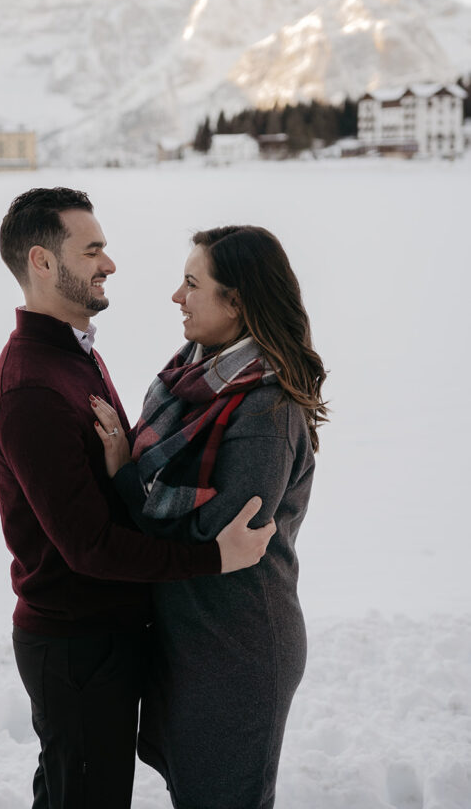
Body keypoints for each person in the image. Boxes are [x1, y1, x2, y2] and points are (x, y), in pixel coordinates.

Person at [0, 189, 276, 809]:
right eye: (92, 250)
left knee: (75, 790)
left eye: (105, 248)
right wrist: (211, 559)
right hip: (76, 642)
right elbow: (90, 547)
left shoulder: (72, 354)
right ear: (41, 261)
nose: (109, 263)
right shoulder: (32, 389)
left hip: (105, 634)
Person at [92, 225, 328, 809]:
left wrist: (125, 473)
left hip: (238, 647)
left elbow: (215, 532)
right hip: (190, 637)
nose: (177, 296)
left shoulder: (265, 410)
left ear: (237, 302)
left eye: (193, 284)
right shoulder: (194, 376)